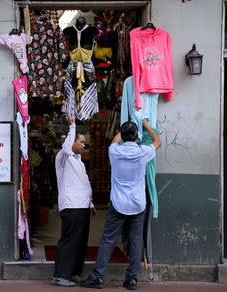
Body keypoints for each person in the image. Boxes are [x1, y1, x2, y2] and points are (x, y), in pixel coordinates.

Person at [81, 119, 161, 290]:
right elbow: (157, 142)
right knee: (136, 240)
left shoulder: (114, 151)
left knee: (108, 240)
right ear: (137, 136)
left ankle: (97, 277)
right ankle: (132, 279)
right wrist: (146, 126)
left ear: (123, 136)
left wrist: (124, 124)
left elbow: (115, 141)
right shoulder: (143, 152)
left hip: (118, 204)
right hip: (138, 204)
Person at [51, 115, 96, 287]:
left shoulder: (79, 161)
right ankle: (60, 275)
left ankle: (74, 272)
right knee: (69, 241)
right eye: (81, 142)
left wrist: (90, 203)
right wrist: (72, 127)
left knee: (81, 242)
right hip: (71, 206)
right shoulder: (63, 158)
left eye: (84, 143)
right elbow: (66, 148)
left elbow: (84, 184)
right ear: (72, 142)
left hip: (82, 206)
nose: (84, 145)